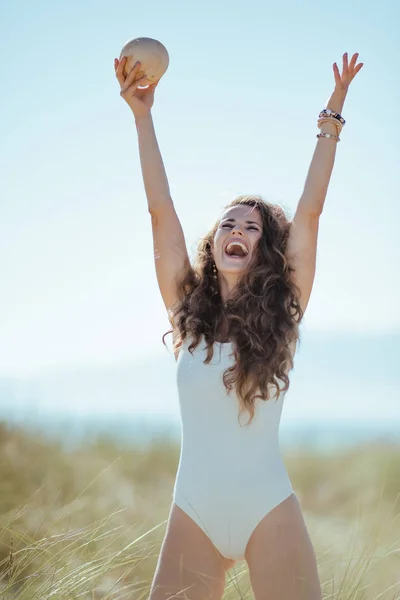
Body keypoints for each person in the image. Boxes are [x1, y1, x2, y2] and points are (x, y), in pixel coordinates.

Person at [114, 51, 363, 600]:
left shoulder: (283, 313)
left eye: (251, 227)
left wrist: (333, 116)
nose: (237, 229)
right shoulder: (188, 313)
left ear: (264, 250)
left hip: (267, 508)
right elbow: (160, 211)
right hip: (193, 512)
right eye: (228, 222)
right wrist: (142, 116)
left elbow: (311, 212)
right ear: (214, 242)